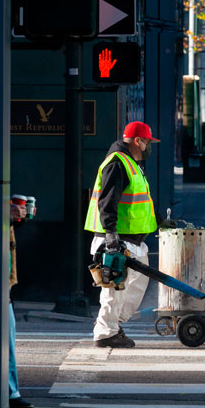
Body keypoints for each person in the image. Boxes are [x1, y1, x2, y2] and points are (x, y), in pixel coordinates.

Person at [85, 121, 173, 348]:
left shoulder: (131, 164)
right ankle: (106, 332)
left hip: (132, 240)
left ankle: (111, 323)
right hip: (117, 239)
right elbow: (108, 201)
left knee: (134, 287)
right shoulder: (117, 163)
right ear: (137, 141)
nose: (148, 147)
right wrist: (111, 233)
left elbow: (140, 202)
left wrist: (161, 221)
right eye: (147, 142)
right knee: (115, 289)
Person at [7, 196, 34, 408]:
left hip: (5, 284)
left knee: (8, 338)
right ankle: (10, 392)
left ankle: (11, 391)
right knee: (6, 340)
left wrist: (17, 217)